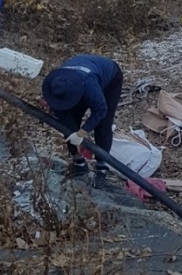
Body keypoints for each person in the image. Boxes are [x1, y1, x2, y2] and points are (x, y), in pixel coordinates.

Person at [41, 55, 124, 188]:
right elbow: (62, 114)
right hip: (77, 79)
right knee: (68, 121)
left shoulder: (88, 85)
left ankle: (101, 167)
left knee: (103, 125)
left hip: (110, 80)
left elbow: (101, 109)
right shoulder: (53, 83)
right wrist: (70, 130)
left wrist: (81, 133)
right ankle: (78, 163)